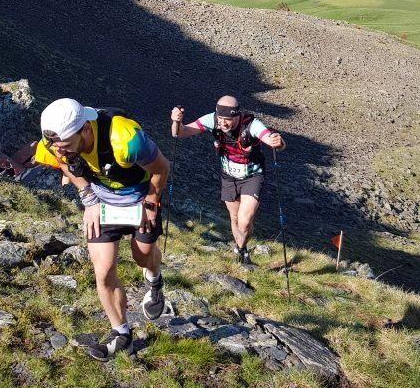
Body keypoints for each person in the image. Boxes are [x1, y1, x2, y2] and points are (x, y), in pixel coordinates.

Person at [35, 99, 169, 359]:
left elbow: (161, 168)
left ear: (85, 129)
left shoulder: (126, 139)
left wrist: (151, 203)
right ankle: (121, 334)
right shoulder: (54, 141)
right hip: (102, 203)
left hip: (140, 199)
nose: (59, 151)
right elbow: (62, 162)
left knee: (142, 256)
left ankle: (154, 279)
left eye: (65, 145)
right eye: (55, 146)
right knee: (104, 271)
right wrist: (88, 198)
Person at [171, 95, 285, 268]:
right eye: (221, 118)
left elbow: (271, 140)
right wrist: (176, 121)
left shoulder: (252, 125)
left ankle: (240, 248)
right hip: (229, 177)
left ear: (237, 115)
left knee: (245, 221)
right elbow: (180, 133)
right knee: (234, 218)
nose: (223, 123)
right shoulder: (212, 120)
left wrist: (278, 142)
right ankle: (241, 250)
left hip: (252, 176)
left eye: (228, 120)